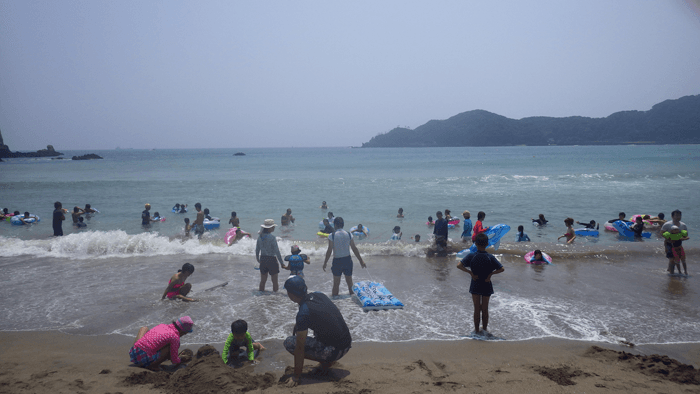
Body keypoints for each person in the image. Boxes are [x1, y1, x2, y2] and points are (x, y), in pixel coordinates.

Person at [283, 276, 352, 387]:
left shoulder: (303, 313)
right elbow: (326, 316)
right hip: (346, 344)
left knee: (290, 342)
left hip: (336, 351)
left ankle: (327, 361)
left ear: (291, 294)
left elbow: (299, 347)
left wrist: (296, 376)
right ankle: (327, 359)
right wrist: (299, 325)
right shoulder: (319, 295)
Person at [456, 233, 505, 335]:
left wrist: (470, 273)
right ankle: (485, 329)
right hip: (486, 284)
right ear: (487, 244)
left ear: (475, 243)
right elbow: (501, 269)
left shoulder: (471, 256)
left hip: (475, 283)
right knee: (485, 308)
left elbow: (459, 266)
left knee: (477, 308)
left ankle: (477, 330)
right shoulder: (490, 257)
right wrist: (491, 274)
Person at [129, 316, 194, 371]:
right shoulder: (175, 337)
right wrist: (180, 360)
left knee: (144, 328)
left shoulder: (162, 325)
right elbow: (174, 361)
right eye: (185, 333)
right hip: (143, 359)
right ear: (182, 331)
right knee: (169, 348)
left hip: (134, 353)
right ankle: (152, 365)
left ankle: (142, 353)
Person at [323, 217, 366, 296]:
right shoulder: (349, 234)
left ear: (335, 225)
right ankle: (353, 302)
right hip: (347, 260)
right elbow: (354, 248)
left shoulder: (332, 235)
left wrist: (325, 262)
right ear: (343, 225)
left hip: (337, 261)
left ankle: (335, 303)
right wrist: (361, 261)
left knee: (336, 284)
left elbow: (329, 251)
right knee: (350, 283)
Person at [256, 219, 286, 292]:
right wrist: (281, 263)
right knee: (275, 282)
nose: (274, 228)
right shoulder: (272, 238)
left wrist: (258, 259)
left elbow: (257, 249)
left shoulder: (260, 237)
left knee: (262, 281)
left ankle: (260, 296)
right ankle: (275, 298)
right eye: (273, 227)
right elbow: (277, 251)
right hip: (272, 260)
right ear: (270, 228)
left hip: (263, 259)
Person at [661, 210, 689, 274]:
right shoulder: (667, 224)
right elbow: (662, 233)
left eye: (680, 215)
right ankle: (672, 275)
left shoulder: (683, 225)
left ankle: (669, 269)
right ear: (672, 216)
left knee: (676, 258)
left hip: (678, 244)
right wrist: (669, 238)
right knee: (672, 259)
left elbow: (686, 235)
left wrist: (684, 238)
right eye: (676, 215)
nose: (678, 217)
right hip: (668, 244)